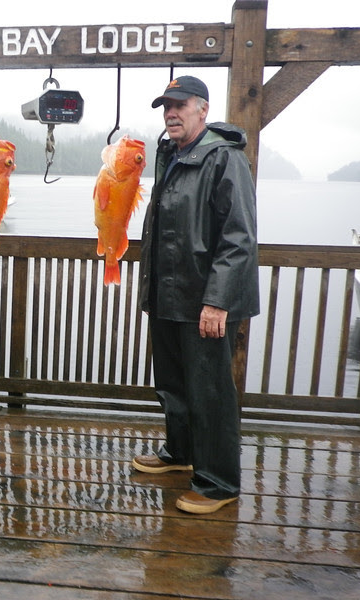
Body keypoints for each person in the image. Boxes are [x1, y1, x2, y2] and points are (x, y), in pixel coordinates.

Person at [134, 76, 260, 515]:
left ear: (202, 110)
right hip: (168, 296)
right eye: (166, 106)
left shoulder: (225, 158)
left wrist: (217, 301)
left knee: (210, 393)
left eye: (180, 105)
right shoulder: (172, 155)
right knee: (173, 385)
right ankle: (181, 453)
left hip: (205, 301)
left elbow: (239, 238)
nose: (171, 113)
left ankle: (218, 483)